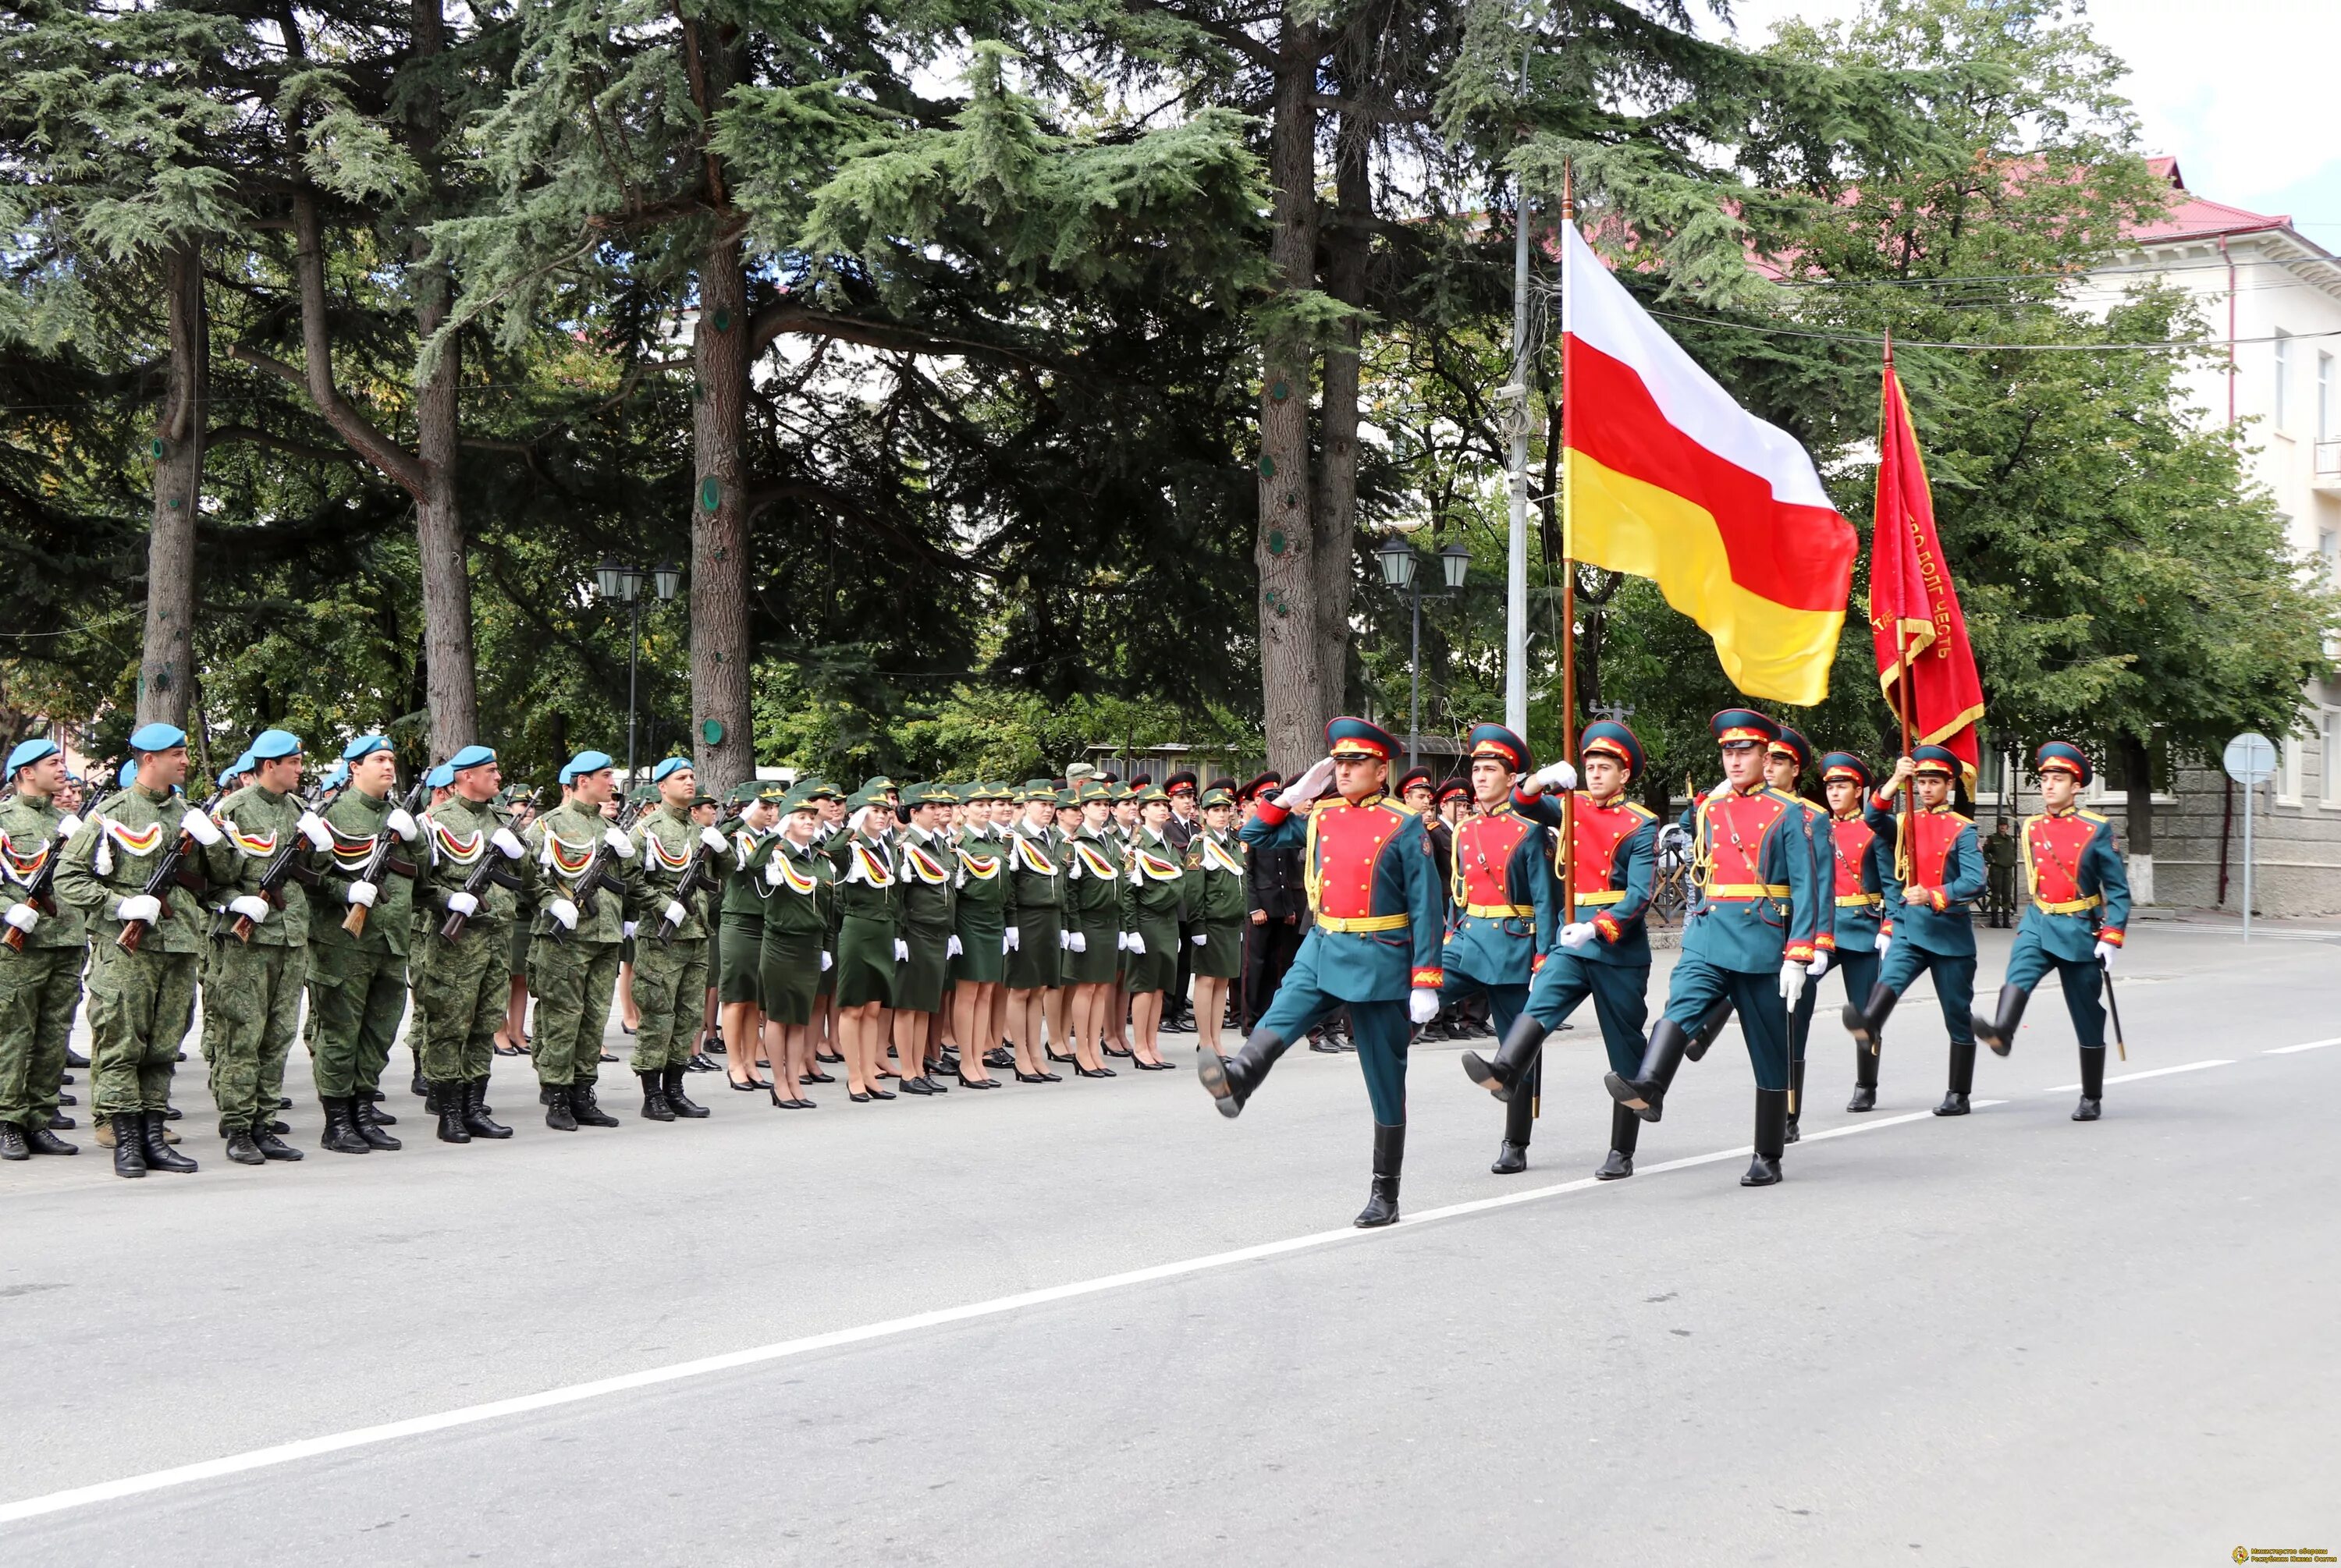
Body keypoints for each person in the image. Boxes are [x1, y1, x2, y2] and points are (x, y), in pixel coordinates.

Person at [1199, 718, 1447, 1228]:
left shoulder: (1404, 825)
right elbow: (1253, 833)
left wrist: (1426, 979)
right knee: (1282, 1013)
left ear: (1382, 769)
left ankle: (1386, 1193)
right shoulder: (1323, 815)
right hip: (1325, 942)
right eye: (1339, 762)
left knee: (1384, 1075)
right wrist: (1293, 794)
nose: (1346, 770)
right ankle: (1239, 1080)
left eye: (1357, 762)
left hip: (1381, 953)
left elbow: (1427, 908)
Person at [1602, 710, 1823, 1188]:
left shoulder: (1791, 814)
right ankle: (1651, 1087)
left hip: (1763, 940)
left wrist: (1800, 953)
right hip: (1708, 935)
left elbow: (1808, 889)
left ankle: (1768, 1153)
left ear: (1766, 757)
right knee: (1679, 1003)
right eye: (1728, 751)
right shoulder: (1708, 809)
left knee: (1768, 1050)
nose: (1735, 759)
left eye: (1745, 751)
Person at [1462, 721, 1661, 1180]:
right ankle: (1506, 1070)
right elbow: (1521, 801)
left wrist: (1598, 927)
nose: (1593, 774)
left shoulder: (1641, 824)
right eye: (1589, 766)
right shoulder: (1569, 807)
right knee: (1542, 1001)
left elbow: (1640, 894)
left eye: (1603, 767)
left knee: (1624, 1051)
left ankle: (1621, 1150)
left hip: (1616, 946)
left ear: (1623, 775)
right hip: (1571, 941)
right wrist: (1545, 776)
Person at [54, 722, 215, 1177]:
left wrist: (215, 841)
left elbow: (215, 878)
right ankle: (126, 1141)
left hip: (179, 944)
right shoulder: (110, 814)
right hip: (126, 952)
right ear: (149, 759)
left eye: (185, 752)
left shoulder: (188, 814)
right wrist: (120, 904)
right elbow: (69, 879)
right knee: (123, 1045)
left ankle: (153, 1135)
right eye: (176, 754)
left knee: (165, 1045)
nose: (185, 761)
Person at [1971, 742, 2132, 1121]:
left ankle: (2091, 1095)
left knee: (2086, 1013)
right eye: (2045, 778)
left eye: (2058, 779)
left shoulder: (2096, 829)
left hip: (2079, 928)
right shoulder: (2032, 826)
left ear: (2076, 786)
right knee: (2019, 969)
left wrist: (2112, 935)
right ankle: (2003, 1031)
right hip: (2040, 919)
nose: (2048, 785)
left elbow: (2119, 890)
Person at [199, 727, 332, 1165]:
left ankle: (264, 1123)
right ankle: (238, 1127)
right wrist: (231, 903)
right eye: (293, 762)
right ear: (269, 765)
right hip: (247, 940)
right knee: (243, 1034)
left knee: (278, 1035)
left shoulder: (299, 809)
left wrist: (322, 847)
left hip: (292, 937)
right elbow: (204, 881)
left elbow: (314, 873)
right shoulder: (232, 810)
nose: (300, 769)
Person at [1432, 723, 1557, 1172]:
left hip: (1511, 944)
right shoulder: (1464, 831)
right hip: (1467, 940)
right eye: (1478, 769)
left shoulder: (1530, 831)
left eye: (1491, 770)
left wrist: (1544, 955)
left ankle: (1515, 1142)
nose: (1480, 777)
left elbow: (1545, 901)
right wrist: (1449, 933)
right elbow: (1457, 891)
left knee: (1515, 1045)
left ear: (1512, 779)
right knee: (1415, 992)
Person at [1841, 746, 1986, 1117]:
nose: (1924, 788)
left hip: (1948, 934)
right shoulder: (1906, 822)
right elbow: (1874, 817)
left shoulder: (1962, 829)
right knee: (1888, 980)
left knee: (1956, 1013)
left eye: (1933, 782)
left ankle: (1959, 1093)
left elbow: (1975, 881)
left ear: (1949, 785)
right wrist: (1893, 780)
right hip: (1909, 927)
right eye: (1920, 781)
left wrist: (1935, 894)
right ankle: (1868, 1022)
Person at [305, 734, 422, 1154]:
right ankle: (336, 1122)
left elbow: (423, 875)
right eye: (379, 760)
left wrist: (415, 835)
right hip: (343, 944)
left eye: (392, 760)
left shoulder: (401, 816)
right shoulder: (331, 814)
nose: (388, 767)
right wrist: (346, 893)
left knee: (378, 1034)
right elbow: (310, 877)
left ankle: (362, 1111)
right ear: (355, 767)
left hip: (392, 943)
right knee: (341, 1035)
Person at [414, 744, 536, 1144]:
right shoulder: (434, 821)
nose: (499, 778)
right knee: (449, 1026)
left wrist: (520, 853)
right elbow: (417, 885)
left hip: (497, 939)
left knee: (485, 1025)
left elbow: (529, 877)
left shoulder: (504, 819)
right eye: (491, 771)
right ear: (466, 776)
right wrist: (447, 899)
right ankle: (448, 1111)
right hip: (456, 943)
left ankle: (473, 1106)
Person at [630, 757, 732, 1119]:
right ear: (662, 786)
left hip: (698, 933)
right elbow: (628, 878)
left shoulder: (696, 827)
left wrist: (722, 848)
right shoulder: (646, 830)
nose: (690, 783)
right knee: (658, 1016)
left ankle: (676, 1088)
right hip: (663, 937)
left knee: (688, 1017)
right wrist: (661, 904)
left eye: (692, 777)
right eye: (681, 778)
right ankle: (652, 1094)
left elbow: (727, 873)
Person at [1, 737, 87, 1158]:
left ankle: (39, 1119)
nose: (63, 770)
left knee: (54, 1037)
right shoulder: (3, 818)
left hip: (68, 940)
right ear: (25, 773)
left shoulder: (69, 822)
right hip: (20, 946)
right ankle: (8, 1121)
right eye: (53, 763)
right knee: (15, 1034)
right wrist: (7, 910)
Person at [1814, 752, 1895, 1114]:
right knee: (1794, 994)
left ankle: (1866, 1085)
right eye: (1830, 785)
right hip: (1826, 931)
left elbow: (1892, 884)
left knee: (1865, 1014)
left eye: (1842, 785)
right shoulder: (1818, 829)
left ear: (1859, 790)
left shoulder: (1873, 831)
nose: (1834, 792)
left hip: (1863, 929)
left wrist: (1890, 924)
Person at [1764, 725, 1829, 1142]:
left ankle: (1788, 1113)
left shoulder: (1812, 816)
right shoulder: (1735, 807)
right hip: (1750, 930)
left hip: (1791, 930)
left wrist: (1816, 942)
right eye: (1766, 759)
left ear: (1796, 769)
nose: (1770, 767)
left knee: (1791, 1024)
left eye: (1779, 761)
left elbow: (1819, 882)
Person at [755, 783, 835, 1109]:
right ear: (786, 821)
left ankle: (794, 1080)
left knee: (800, 1017)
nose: (808, 820)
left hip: (811, 944)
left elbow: (829, 906)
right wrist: (771, 836)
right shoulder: (775, 855)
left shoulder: (819, 858)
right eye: (801, 815)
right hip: (781, 944)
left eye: (811, 816)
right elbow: (748, 866)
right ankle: (779, 1082)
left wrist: (827, 946)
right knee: (778, 1015)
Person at [831, 786, 901, 1102]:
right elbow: (830, 850)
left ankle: (870, 1072)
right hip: (858, 927)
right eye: (875, 811)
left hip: (884, 929)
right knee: (854, 1007)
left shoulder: (888, 847)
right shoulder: (851, 847)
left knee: (873, 1007)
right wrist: (850, 827)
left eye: (885, 811)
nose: (883, 816)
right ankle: (854, 1076)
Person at [890, 783, 957, 1094]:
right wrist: (899, 935)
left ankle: (919, 1067)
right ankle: (907, 1071)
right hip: (915, 929)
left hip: (938, 930)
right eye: (930, 807)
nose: (937, 812)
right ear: (914, 813)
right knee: (909, 1005)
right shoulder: (906, 846)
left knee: (925, 1005)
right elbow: (898, 896)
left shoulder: (940, 844)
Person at [1061, 780, 1131, 1077]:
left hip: (1109, 922)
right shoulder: (1076, 844)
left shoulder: (1112, 843)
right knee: (1086, 987)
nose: (1102, 809)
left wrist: (1125, 926)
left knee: (1103, 987)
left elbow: (1124, 887)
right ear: (1083, 809)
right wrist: (1074, 928)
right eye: (1096, 805)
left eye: (1105, 805)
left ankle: (1093, 1047)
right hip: (1088, 923)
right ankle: (1082, 1052)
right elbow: (1071, 891)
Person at [716, 782, 778, 1092]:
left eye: (772, 807)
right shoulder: (736, 836)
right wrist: (742, 818)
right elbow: (717, 835)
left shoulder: (771, 839)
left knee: (756, 999)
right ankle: (734, 1063)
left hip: (765, 922)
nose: (770, 812)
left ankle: (752, 1061)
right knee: (736, 997)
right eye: (763, 807)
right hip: (739, 922)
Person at [1003, 780, 1066, 1084]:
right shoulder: (1014, 838)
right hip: (1026, 918)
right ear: (1026, 805)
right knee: (1021, 988)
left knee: (1040, 988)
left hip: (1051, 918)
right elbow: (1009, 886)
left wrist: (1065, 925)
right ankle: (1021, 1055)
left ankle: (1035, 1053)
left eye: (1051, 804)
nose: (1048, 809)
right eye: (1042, 804)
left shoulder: (1054, 837)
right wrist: (1012, 923)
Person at [947, 782, 1009, 1088]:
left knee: (986, 990)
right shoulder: (959, 842)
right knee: (969, 992)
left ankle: (979, 1055)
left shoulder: (998, 840)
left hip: (994, 919)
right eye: (978, 804)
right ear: (964, 809)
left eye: (988, 804)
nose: (985, 809)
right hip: (970, 919)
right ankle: (966, 1061)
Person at [1121, 786, 1188, 1070]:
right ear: (1143, 811)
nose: (1162, 809)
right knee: (1145, 987)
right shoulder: (1137, 846)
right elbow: (1128, 890)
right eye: (1155, 805)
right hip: (1147, 919)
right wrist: (1132, 928)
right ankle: (1139, 1047)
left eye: (1164, 804)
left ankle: (1152, 1043)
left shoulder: (1169, 843)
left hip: (1168, 921)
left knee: (1161, 987)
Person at [1184, 786, 1247, 1063]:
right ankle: (1205, 1042)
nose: (1222, 815)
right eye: (1216, 811)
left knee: (1222, 982)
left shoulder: (1234, 844)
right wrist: (1197, 926)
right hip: (1210, 922)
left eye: (1225, 810)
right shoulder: (1200, 844)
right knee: (1207, 981)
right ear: (1204, 815)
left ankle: (1217, 1040)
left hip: (1230, 922)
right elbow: (1194, 889)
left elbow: (1240, 884)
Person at [1238, 772, 1302, 1031]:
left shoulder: (1282, 830)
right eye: (1265, 799)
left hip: (1281, 907)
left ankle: (1269, 1016)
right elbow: (1247, 873)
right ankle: (1250, 1020)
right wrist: (1254, 906)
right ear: (1255, 804)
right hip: (1260, 908)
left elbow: (1288, 873)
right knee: (1255, 966)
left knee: (1277, 965)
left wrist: (1289, 908)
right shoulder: (1251, 832)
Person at [1984, 818, 2020, 929]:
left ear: (2007, 827)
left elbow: (2013, 852)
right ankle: (1995, 921)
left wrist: (2013, 861)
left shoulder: (2009, 839)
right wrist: (1992, 860)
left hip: (2008, 869)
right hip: (1997, 869)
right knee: (1996, 894)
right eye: (2001, 825)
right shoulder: (1992, 839)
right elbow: (1984, 852)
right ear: (1998, 827)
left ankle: (2006, 921)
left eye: (2005, 825)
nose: (2003, 827)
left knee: (2007, 894)